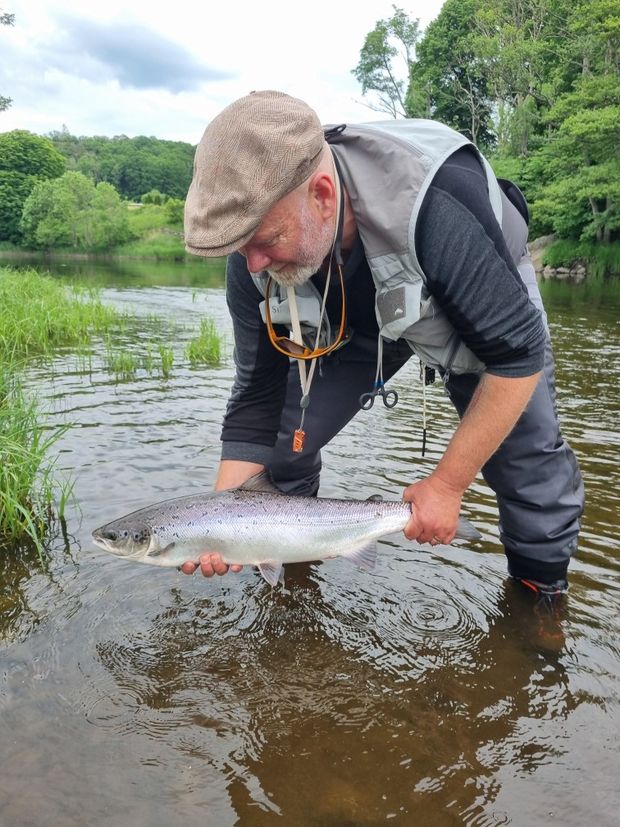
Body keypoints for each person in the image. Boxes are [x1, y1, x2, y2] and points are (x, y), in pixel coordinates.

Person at [180, 90, 584, 597]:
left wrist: (446, 486)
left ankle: (539, 602)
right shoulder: (253, 257)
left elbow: (518, 356)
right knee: (280, 449)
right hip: (359, 314)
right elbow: (256, 398)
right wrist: (222, 518)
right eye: (241, 248)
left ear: (322, 196)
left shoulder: (438, 202)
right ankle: (292, 581)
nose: (252, 264)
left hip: (477, 296)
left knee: (528, 463)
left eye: (264, 242)